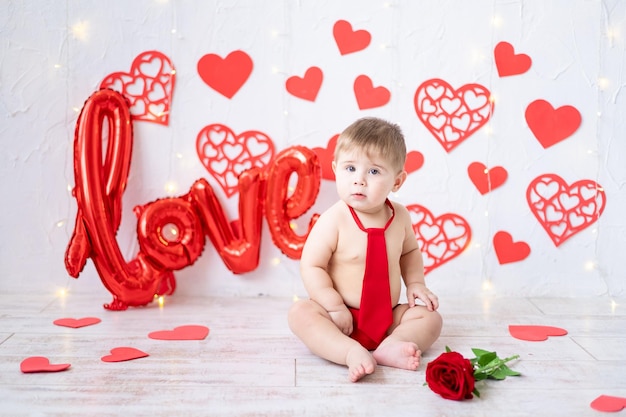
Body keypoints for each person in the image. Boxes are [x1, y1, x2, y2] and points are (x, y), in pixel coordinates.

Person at [288, 117, 442, 382]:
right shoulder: (334, 220)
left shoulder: (401, 216)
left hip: (388, 316)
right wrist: (333, 306)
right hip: (341, 317)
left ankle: (393, 345)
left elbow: (409, 253)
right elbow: (312, 265)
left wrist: (416, 283)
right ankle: (348, 351)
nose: (359, 180)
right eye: (350, 168)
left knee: (430, 318)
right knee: (300, 314)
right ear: (336, 169)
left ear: (397, 181)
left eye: (373, 172)